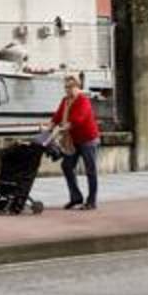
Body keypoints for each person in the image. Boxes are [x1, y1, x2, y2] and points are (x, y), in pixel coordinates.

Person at [46, 74, 100, 210]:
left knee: (90, 170)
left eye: (70, 87)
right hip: (72, 140)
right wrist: (48, 129)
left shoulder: (83, 100)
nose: (67, 90)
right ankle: (76, 197)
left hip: (88, 139)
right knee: (67, 166)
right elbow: (57, 116)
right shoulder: (65, 101)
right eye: (66, 87)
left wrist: (61, 129)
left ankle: (91, 201)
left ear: (77, 87)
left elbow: (78, 119)